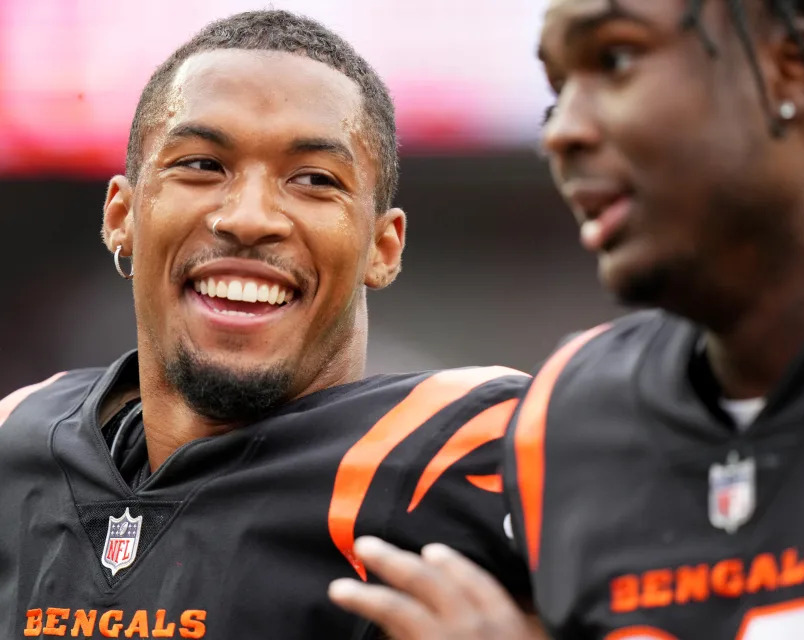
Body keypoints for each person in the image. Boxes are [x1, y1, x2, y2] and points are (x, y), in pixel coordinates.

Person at [328, 0, 804, 638]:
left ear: (791, 68)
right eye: (557, 89)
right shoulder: (564, 414)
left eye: (615, 59)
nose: (560, 131)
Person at [0, 10, 533, 639]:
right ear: (122, 215)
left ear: (382, 249)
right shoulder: (18, 442)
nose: (249, 218)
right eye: (200, 165)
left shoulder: (474, 452)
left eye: (314, 180)